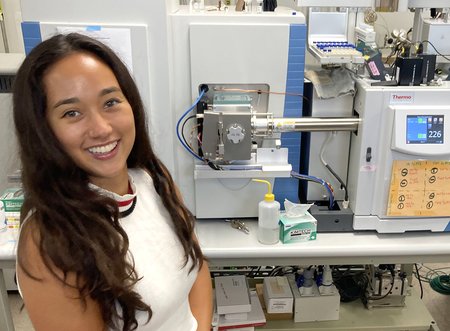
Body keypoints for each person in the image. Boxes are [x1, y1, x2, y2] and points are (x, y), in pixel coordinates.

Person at [13, 33, 213, 331]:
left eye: (110, 102)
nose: (101, 128)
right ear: (43, 130)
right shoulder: (49, 241)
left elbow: (196, 269)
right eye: (72, 112)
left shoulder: (152, 178)